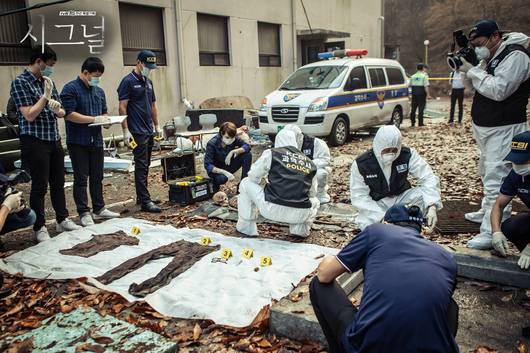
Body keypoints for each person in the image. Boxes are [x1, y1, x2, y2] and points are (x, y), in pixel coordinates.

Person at [309, 204, 459, 353]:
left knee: (318, 284)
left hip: (369, 347)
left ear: (386, 223)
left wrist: (330, 258)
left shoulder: (377, 232)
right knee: (450, 305)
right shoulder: (447, 257)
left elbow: (324, 275)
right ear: (420, 230)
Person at [458, 20, 530, 249]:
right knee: (485, 169)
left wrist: (473, 70)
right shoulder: (490, 55)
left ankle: (492, 232)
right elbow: (478, 85)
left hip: (505, 127)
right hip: (486, 127)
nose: (478, 48)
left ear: (495, 36)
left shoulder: (516, 56)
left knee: (496, 176)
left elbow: (499, 90)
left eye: (480, 43)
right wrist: (468, 67)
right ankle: (486, 211)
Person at [10, 45, 81, 242]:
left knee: (58, 182)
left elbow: (62, 111)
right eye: (49, 65)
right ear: (39, 61)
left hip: (53, 138)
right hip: (34, 139)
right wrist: (45, 98)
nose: (50, 69)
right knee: (40, 185)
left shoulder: (47, 81)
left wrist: (59, 110)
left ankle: (62, 219)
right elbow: (29, 115)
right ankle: (39, 226)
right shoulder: (20, 82)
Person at [60, 57, 119, 227]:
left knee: (97, 176)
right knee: (80, 178)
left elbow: (104, 113)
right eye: (95, 75)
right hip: (78, 141)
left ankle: (99, 208)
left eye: (99, 76)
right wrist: (94, 118)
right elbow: (69, 115)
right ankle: (83, 212)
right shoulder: (70, 89)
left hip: (96, 140)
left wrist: (107, 121)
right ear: (85, 73)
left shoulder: (98, 91)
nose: (97, 79)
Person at [350, 125, 441, 231]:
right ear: (378, 146)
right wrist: (383, 217)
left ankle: (420, 224)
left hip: (402, 199)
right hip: (377, 204)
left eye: (394, 150)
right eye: (386, 150)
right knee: (367, 224)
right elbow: (359, 196)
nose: (390, 154)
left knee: (422, 196)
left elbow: (427, 177)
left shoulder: (407, 154)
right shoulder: (362, 164)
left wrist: (432, 206)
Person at [236, 129, 319, 237]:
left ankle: (246, 228)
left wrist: (263, 183)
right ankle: (300, 230)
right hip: (299, 214)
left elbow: (253, 176)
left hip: (271, 209)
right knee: (315, 200)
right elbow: (312, 193)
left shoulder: (272, 153)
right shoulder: (309, 162)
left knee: (245, 183)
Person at [118, 50, 161, 213]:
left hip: (148, 129)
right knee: (141, 165)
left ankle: (141, 196)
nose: (149, 69)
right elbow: (122, 106)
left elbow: (153, 106)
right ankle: (145, 201)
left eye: (151, 67)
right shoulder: (127, 82)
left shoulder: (148, 82)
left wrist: (157, 126)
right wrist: (125, 130)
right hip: (136, 131)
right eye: (147, 66)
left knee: (146, 163)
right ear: (139, 63)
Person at [490, 131, 530, 270]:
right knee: (510, 226)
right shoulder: (517, 174)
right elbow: (499, 205)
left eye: (523, 160)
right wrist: (496, 232)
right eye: (515, 160)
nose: (517, 164)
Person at [282, 124, 332, 204]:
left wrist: (307, 165)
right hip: (293, 171)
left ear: (299, 136)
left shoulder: (316, 143)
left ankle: (320, 195)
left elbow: (325, 159)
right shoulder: (283, 144)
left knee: (321, 174)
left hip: (312, 170)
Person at [204, 122, 252, 192]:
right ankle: (216, 186)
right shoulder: (212, 144)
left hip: (228, 165)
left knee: (247, 155)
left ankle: (243, 185)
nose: (229, 140)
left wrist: (234, 151)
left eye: (232, 138)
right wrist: (224, 172)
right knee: (223, 178)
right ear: (221, 133)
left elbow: (247, 146)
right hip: (217, 171)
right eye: (227, 137)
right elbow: (208, 165)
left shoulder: (234, 139)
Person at [409, 63, 432, 127]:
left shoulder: (412, 76)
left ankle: (412, 123)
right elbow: (426, 86)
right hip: (421, 93)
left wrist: (410, 95)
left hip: (414, 93)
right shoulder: (424, 76)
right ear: (422, 68)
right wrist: (428, 95)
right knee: (421, 109)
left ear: (416, 68)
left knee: (413, 109)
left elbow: (409, 85)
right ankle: (420, 123)